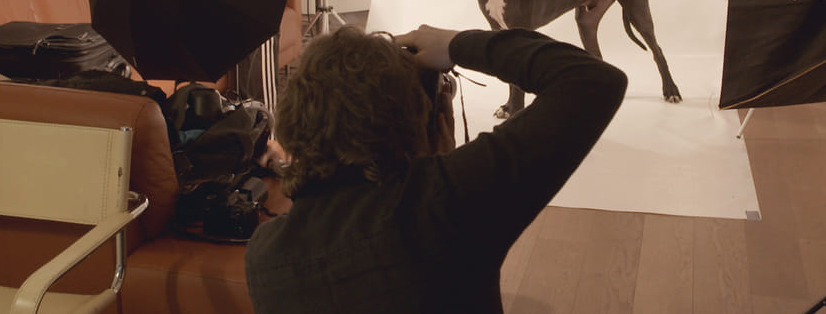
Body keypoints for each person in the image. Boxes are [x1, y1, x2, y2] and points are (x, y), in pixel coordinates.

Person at [244, 25, 628, 313]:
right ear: (419, 120)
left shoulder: (265, 254)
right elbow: (593, 80)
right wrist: (458, 44)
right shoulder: (448, 202)